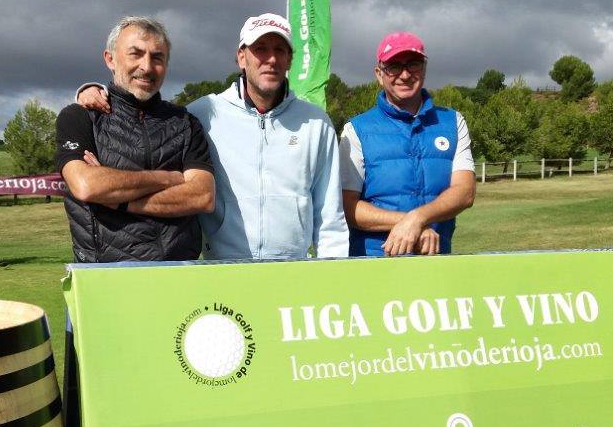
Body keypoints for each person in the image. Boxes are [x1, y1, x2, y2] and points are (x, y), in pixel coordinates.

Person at [75, 13, 348, 260]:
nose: (271, 59)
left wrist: (333, 272)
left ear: (290, 59)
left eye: (280, 50)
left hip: (294, 268)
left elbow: (329, 213)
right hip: (222, 268)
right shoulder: (204, 112)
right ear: (242, 57)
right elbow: (144, 105)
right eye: (260, 49)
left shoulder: (316, 123)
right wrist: (94, 91)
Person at [56, 16, 215, 263]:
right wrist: (168, 179)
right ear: (110, 59)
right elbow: (87, 185)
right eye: (135, 54)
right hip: (105, 276)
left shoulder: (185, 123)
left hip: (179, 274)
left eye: (157, 57)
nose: (147, 66)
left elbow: (202, 196)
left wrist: (118, 201)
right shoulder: (79, 117)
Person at [340, 32, 476, 257]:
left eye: (413, 64)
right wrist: (410, 223)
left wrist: (417, 218)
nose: (404, 75)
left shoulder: (453, 122)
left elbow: (465, 192)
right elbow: (347, 206)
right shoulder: (356, 129)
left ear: (424, 68)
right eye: (394, 67)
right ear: (379, 74)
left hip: (435, 259)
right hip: (374, 263)